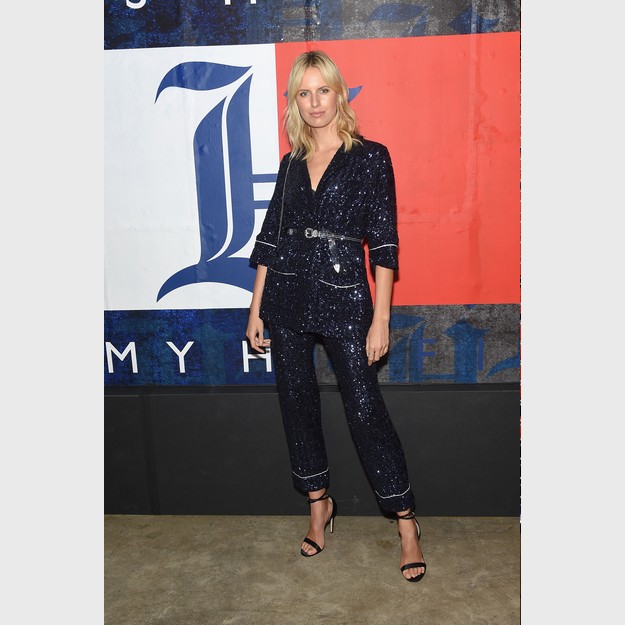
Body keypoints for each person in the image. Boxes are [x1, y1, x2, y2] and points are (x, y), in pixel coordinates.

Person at [246, 50, 426, 583]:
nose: (314, 102)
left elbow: (385, 244)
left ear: (339, 94)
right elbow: (271, 240)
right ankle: (318, 504)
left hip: (346, 297)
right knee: (296, 405)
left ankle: (406, 522)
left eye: (322, 90)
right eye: (303, 93)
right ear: (294, 103)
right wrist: (256, 309)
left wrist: (381, 318)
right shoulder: (290, 164)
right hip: (287, 297)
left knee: (365, 411)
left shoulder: (370, 158)